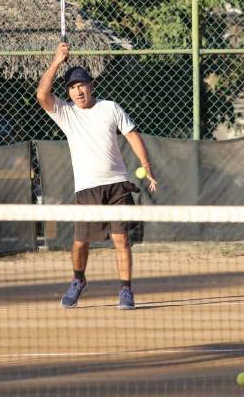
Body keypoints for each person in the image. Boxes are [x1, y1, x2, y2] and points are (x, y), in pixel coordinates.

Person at [37, 42, 158, 311]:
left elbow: (132, 135)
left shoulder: (110, 108)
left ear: (91, 86)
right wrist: (57, 61)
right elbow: (42, 94)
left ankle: (126, 290)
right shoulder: (66, 114)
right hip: (87, 189)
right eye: (72, 87)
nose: (77, 90)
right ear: (68, 92)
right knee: (81, 242)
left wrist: (146, 165)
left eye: (81, 85)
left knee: (121, 239)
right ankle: (78, 280)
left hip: (117, 185)